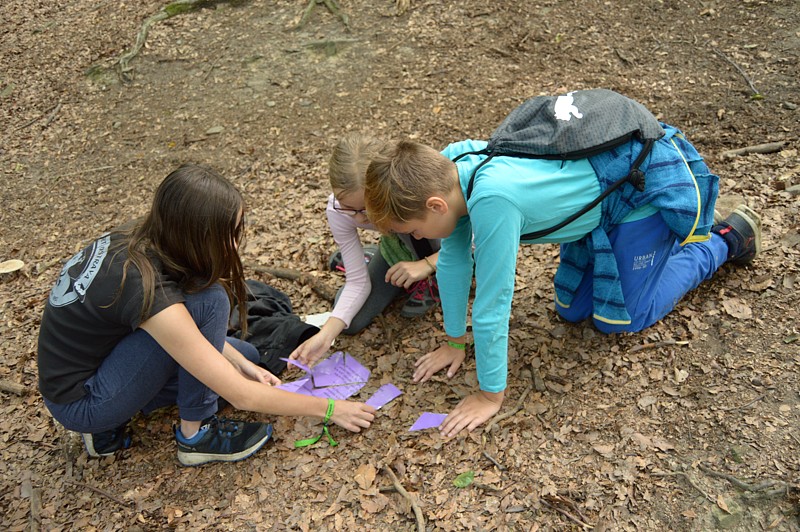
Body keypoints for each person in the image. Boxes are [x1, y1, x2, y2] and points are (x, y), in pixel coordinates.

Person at [364, 125, 761, 438]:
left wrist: (489, 394)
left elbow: (493, 302)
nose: (417, 239)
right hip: (591, 211)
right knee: (571, 310)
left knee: (623, 318)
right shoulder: (448, 166)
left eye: (414, 229)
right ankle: (651, 256)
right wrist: (454, 341)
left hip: (634, 196)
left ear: (435, 204)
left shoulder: (492, 201)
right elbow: (452, 263)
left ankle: (723, 240)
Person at [37, 163, 375, 466]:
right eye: (230, 233)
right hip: (84, 400)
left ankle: (121, 415)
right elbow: (240, 396)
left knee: (246, 356)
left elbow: (186, 339)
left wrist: (241, 366)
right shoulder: (146, 288)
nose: (236, 244)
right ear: (199, 236)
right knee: (211, 300)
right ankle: (195, 436)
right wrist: (331, 408)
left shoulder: (145, 235)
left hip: (101, 365)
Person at [289, 133, 442, 367]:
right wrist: (326, 334)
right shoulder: (338, 210)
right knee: (353, 321)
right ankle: (377, 255)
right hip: (397, 244)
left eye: (369, 208)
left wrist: (428, 264)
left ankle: (433, 279)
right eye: (352, 209)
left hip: (444, 247)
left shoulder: (414, 189)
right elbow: (357, 282)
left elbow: (474, 241)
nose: (363, 218)